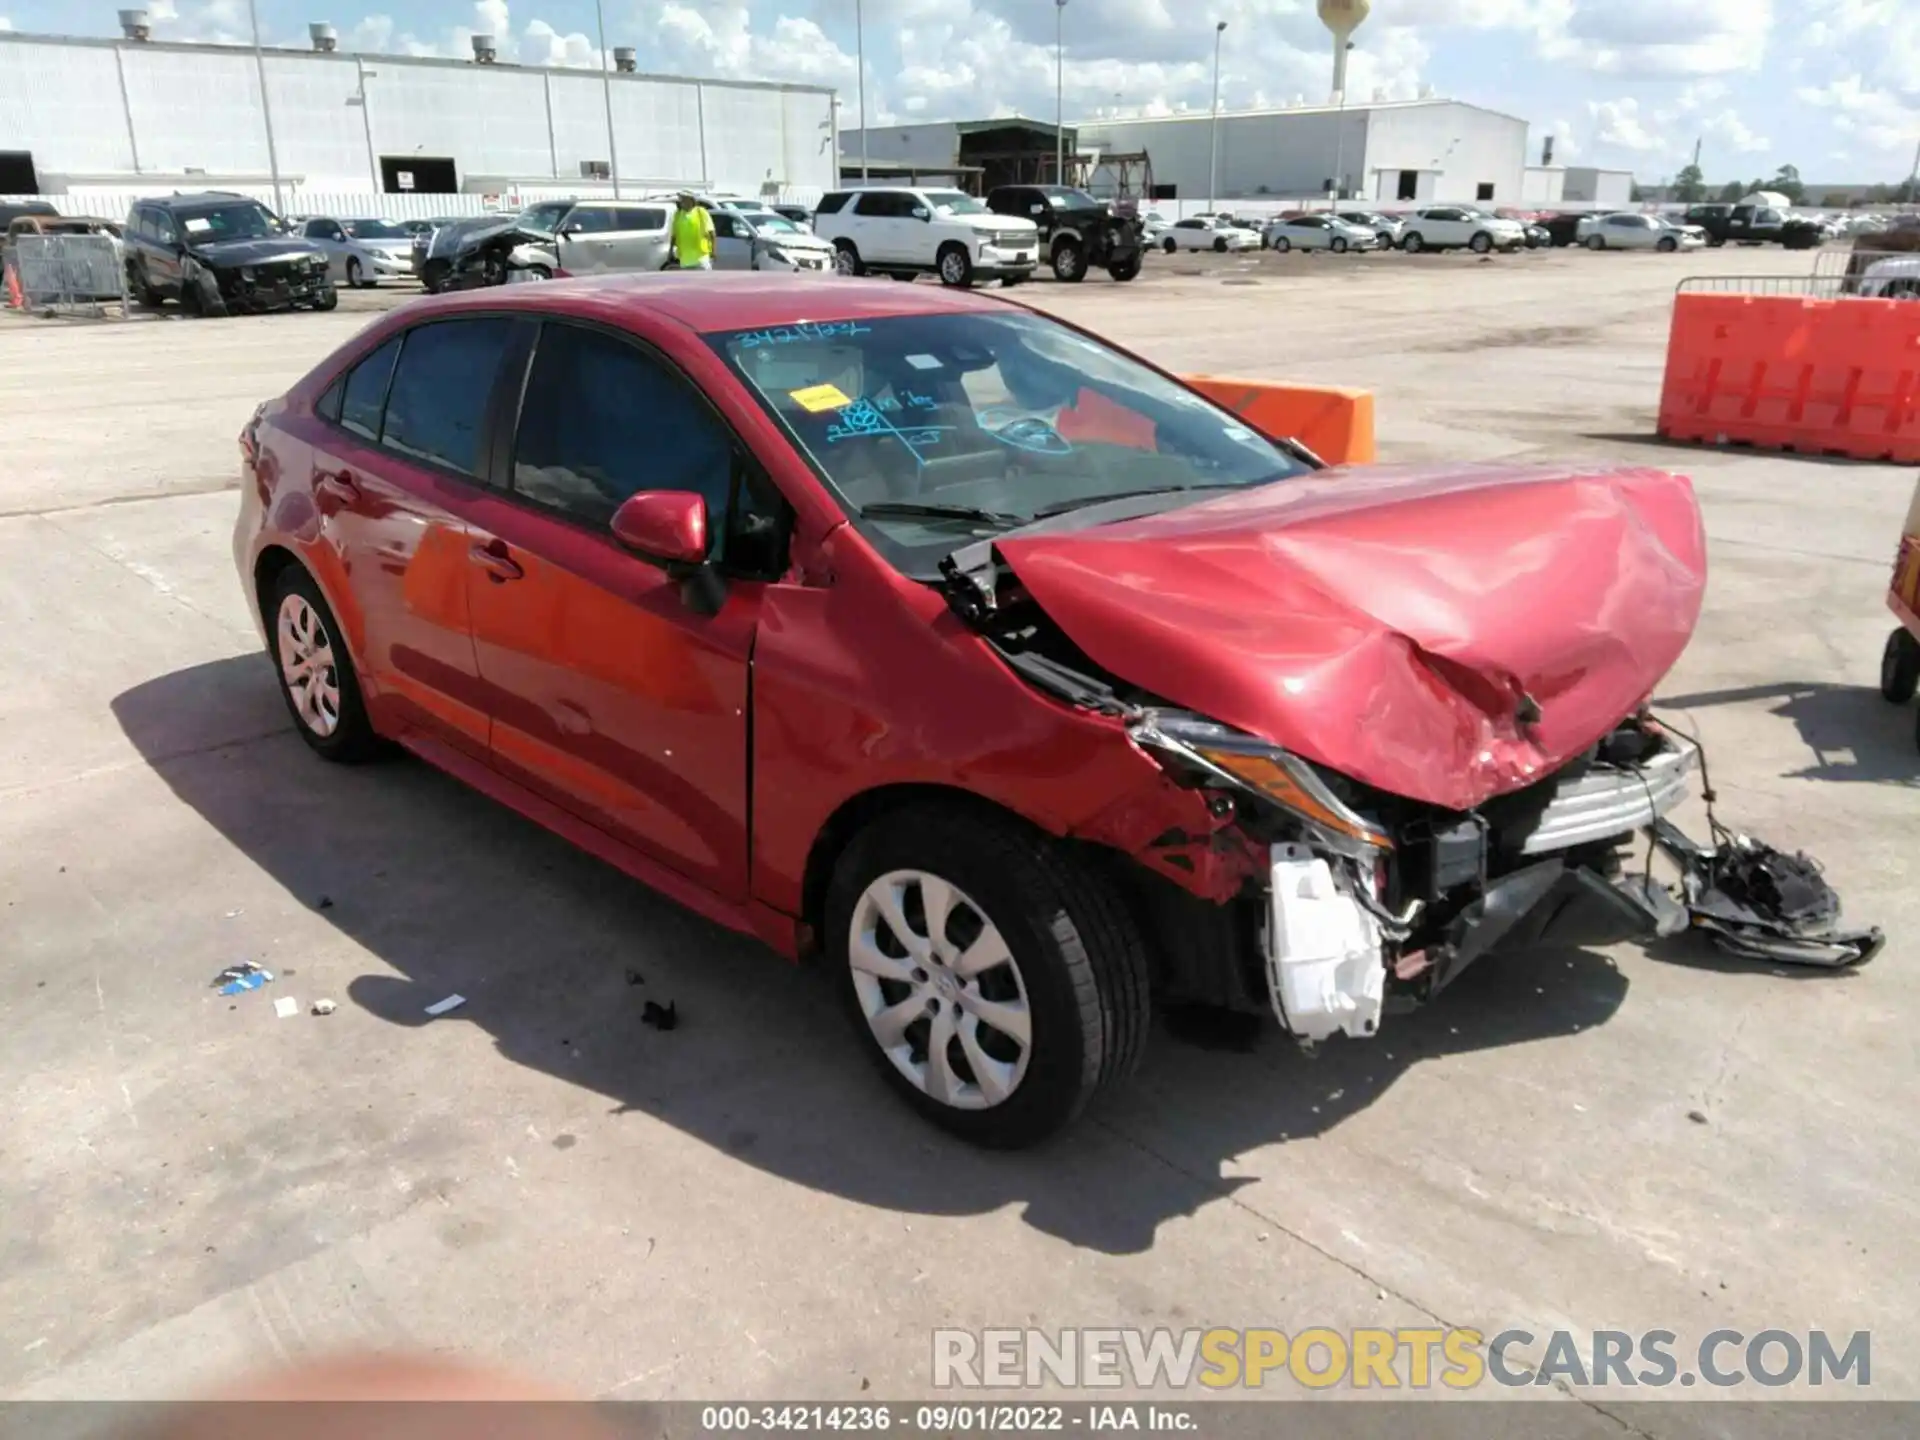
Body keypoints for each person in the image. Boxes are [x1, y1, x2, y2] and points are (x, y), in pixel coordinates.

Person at [670, 191, 715, 270]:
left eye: (683, 199)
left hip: (700, 258)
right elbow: (674, 235)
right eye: (680, 199)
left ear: (690, 200)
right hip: (685, 259)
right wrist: (670, 252)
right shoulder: (678, 215)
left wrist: (713, 251)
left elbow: (712, 233)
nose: (681, 201)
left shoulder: (701, 212)